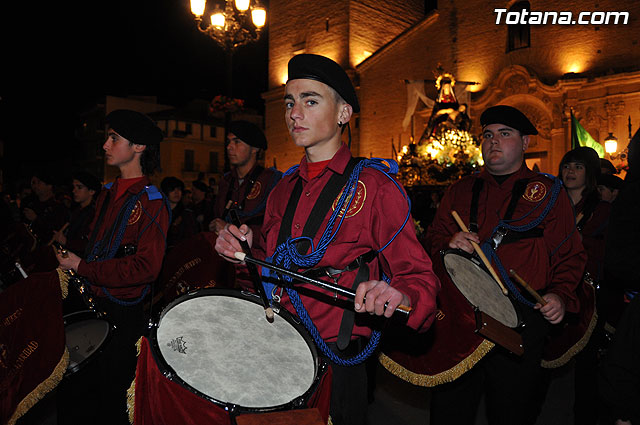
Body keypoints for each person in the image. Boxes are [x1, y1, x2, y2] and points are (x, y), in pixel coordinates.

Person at [215, 53, 440, 425]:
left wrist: (400, 295)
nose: (294, 114)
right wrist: (239, 251)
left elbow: (418, 277)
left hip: (336, 359)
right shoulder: (282, 188)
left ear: (343, 114)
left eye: (310, 101)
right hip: (276, 347)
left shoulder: (376, 186)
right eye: (290, 102)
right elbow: (265, 268)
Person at [424, 105, 586, 425]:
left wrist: (559, 295)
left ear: (525, 143)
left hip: (522, 319)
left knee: (513, 411)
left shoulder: (549, 192)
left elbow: (570, 254)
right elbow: (431, 239)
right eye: (487, 135)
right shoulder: (460, 190)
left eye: (505, 134)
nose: (493, 142)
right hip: (463, 317)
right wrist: (448, 242)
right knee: (450, 410)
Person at [55, 109, 170, 425]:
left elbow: (147, 268)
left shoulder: (153, 202)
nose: (105, 145)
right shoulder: (106, 193)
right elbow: (96, 247)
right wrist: (74, 260)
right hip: (91, 304)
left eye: (113, 138)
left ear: (139, 147)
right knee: (76, 397)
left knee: (111, 404)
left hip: (124, 315)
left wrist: (85, 267)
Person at [558, 146, 610, 425]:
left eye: (577, 167)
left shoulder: (602, 210)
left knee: (586, 364)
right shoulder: (551, 206)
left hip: (590, 293)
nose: (570, 172)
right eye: (567, 166)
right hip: (554, 290)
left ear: (589, 174)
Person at [51, 171, 102, 255]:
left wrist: (66, 242)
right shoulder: (77, 211)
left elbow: (89, 244)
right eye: (74, 187)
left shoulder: (94, 213)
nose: (74, 191)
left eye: (79, 187)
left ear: (92, 191)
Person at [22, 171, 69, 243]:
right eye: (34, 183)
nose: (35, 186)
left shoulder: (58, 208)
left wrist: (36, 219)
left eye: (39, 182)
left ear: (49, 186)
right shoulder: (30, 203)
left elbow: (54, 230)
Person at [161, 176, 198, 250]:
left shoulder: (187, 214)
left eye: (179, 189)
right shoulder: (159, 213)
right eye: (172, 189)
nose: (176, 192)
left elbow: (191, 237)